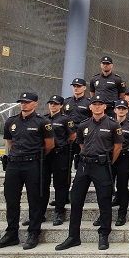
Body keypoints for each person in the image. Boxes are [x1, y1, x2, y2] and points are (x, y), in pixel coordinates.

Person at [0, 92, 54, 251]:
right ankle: (11, 234)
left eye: (27, 102)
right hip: (14, 164)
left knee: (34, 200)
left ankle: (33, 233)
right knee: (11, 200)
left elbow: (49, 145)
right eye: (22, 102)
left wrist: (33, 156)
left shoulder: (42, 122)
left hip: (33, 164)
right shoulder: (11, 121)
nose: (24, 104)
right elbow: (10, 142)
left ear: (35, 103)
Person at [55, 95, 122, 251]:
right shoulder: (83, 125)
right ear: (90, 107)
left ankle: (104, 234)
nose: (97, 107)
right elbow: (81, 144)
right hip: (84, 165)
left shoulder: (113, 125)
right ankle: (73, 236)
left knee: (104, 201)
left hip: (101, 165)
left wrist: (107, 161)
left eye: (100, 104)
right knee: (76, 200)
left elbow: (118, 147)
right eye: (94, 104)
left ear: (104, 107)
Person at [44, 95, 76, 226]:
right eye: (51, 103)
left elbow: (72, 136)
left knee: (60, 184)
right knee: (43, 184)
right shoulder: (43, 119)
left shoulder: (65, 119)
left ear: (61, 106)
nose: (53, 106)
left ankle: (59, 211)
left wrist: (61, 145)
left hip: (60, 154)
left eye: (56, 104)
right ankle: (40, 212)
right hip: (45, 155)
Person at [113, 100, 129, 226]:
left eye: (123, 108)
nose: (121, 110)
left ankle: (122, 214)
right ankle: (104, 214)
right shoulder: (109, 124)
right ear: (115, 110)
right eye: (119, 108)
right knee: (107, 186)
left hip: (123, 157)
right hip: (110, 158)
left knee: (122, 186)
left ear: (127, 110)